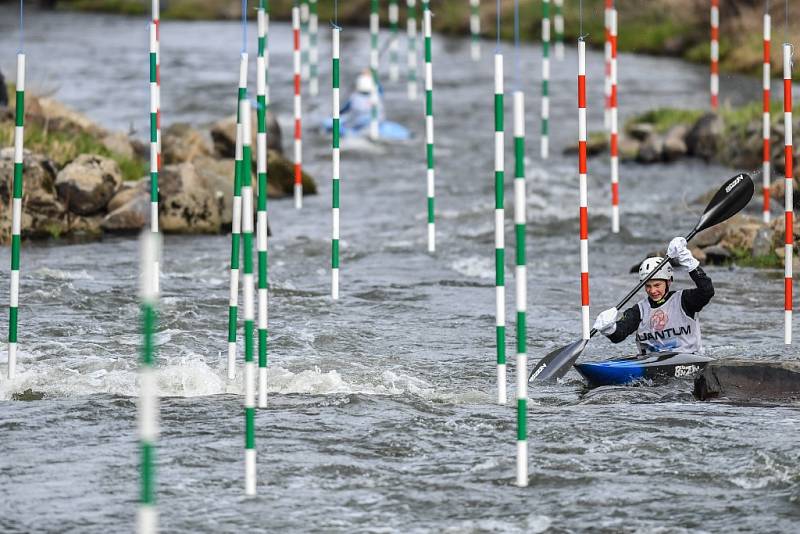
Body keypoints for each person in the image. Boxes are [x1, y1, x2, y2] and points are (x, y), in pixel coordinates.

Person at [592, 237, 714, 354]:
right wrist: (609, 329)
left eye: (657, 285)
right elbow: (619, 335)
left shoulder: (684, 300)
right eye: (648, 286)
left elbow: (707, 291)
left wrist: (689, 262)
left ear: (669, 282)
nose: (652, 291)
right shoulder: (639, 310)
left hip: (689, 358)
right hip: (651, 363)